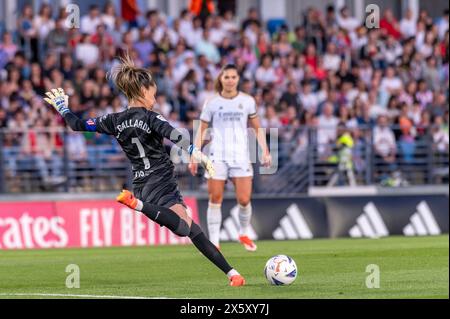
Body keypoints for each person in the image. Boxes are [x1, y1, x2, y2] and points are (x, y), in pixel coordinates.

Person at [43, 54, 245, 287]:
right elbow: (173, 133)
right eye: (153, 93)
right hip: (161, 182)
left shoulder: (113, 119)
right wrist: (194, 151)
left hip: (141, 184)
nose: (155, 98)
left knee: (191, 228)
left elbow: (77, 125)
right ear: (142, 91)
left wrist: (63, 108)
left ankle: (233, 274)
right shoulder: (151, 118)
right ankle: (135, 205)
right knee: (183, 227)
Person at [189, 64, 272, 251]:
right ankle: (215, 242)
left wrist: (265, 150)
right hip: (217, 155)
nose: (230, 80)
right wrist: (194, 155)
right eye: (226, 77)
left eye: (233, 77)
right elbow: (201, 130)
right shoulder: (211, 102)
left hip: (241, 155)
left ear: (238, 79)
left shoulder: (248, 101)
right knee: (215, 197)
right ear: (221, 79)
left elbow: (257, 128)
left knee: (244, 199)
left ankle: (243, 233)